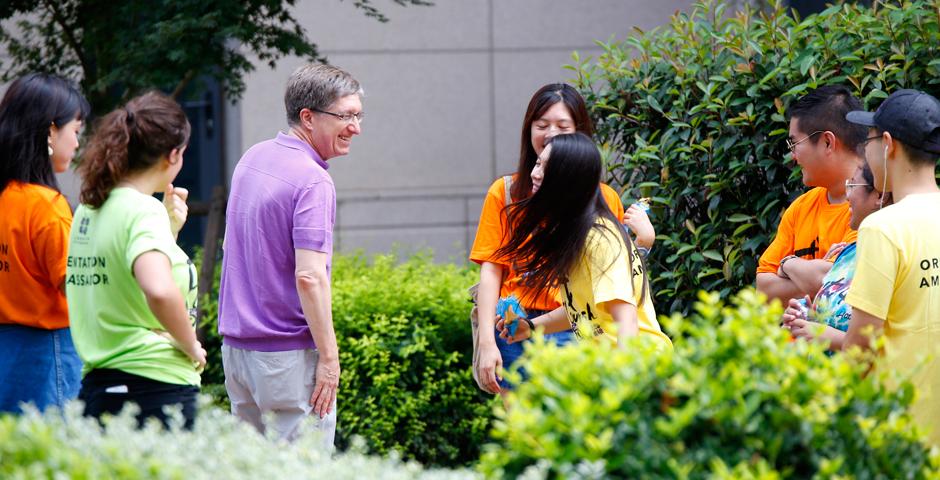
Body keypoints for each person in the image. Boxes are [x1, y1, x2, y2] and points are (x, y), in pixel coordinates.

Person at [469, 83, 654, 395]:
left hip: (603, 354)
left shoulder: (597, 229)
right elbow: (582, 303)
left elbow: (624, 316)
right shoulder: (519, 198)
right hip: (535, 325)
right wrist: (520, 331)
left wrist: (624, 386)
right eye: (541, 126)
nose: (537, 172)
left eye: (561, 127)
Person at [218, 63, 362, 445]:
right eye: (345, 116)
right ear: (308, 117)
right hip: (286, 358)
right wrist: (330, 360)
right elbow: (310, 276)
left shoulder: (252, 158)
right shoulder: (313, 179)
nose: (356, 127)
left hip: (236, 353)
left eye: (358, 115)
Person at [67, 92, 206, 429]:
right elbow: (158, 289)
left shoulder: (90, 207)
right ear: (172, 155)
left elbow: (121, 280)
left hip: (101, 386)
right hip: (154, 387)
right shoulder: (143, 211)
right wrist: (191, 345)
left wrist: (169, 230)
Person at [494, 133, 671, 350]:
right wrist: (530, 327)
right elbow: (581, 308)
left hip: (639, 368)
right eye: (538, 163)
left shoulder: (600, 239)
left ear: (571, 179)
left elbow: (626, 320)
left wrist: (627, 381)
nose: (534, 174)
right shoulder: (575, 235)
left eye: (546, 167)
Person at [843, 89, 940, 446]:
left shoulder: (883, 228)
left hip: (899, 432)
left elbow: (861, 344)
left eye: (867, 140)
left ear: (888, 144)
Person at [0, 73, 88, 413]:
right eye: (75, 131)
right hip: (47, 354)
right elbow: (80, 289)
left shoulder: (7, 197)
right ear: (51, 130)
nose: (77, 144)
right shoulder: (47, 207)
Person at [757, 85, 866, 305]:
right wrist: (818, 277)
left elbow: (836, 282)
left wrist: (788, 264)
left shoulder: (873, 205)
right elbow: (763, 288)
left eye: (794, 143)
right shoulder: (801, 207)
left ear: (827, 142)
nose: (792, 156)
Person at [780, 163, 889, 352]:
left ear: (879, 196)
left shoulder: (889, 254)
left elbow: (888, 344)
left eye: (853, 186)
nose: (847, 195)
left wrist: (823, 335)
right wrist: (806, 315)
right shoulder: (848, 252)